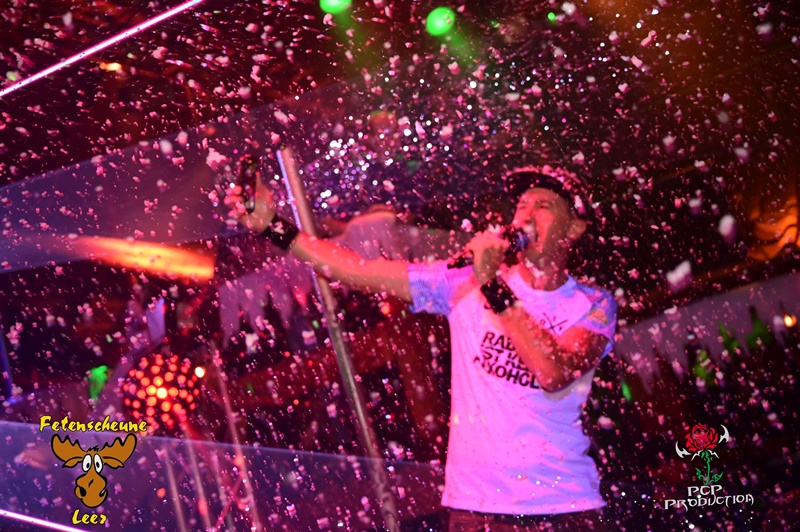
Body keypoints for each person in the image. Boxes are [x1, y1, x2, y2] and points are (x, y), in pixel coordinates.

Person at [226, 165, 617, 530]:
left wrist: (493, 286)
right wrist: (273, 226)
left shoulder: (592, 304)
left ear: (574, 228)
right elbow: (356, 270)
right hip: (475, 511)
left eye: (544, 206)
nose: (527, 215)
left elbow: (554, 372)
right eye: (522, 205)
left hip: (562, 508)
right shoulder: (464, 281)